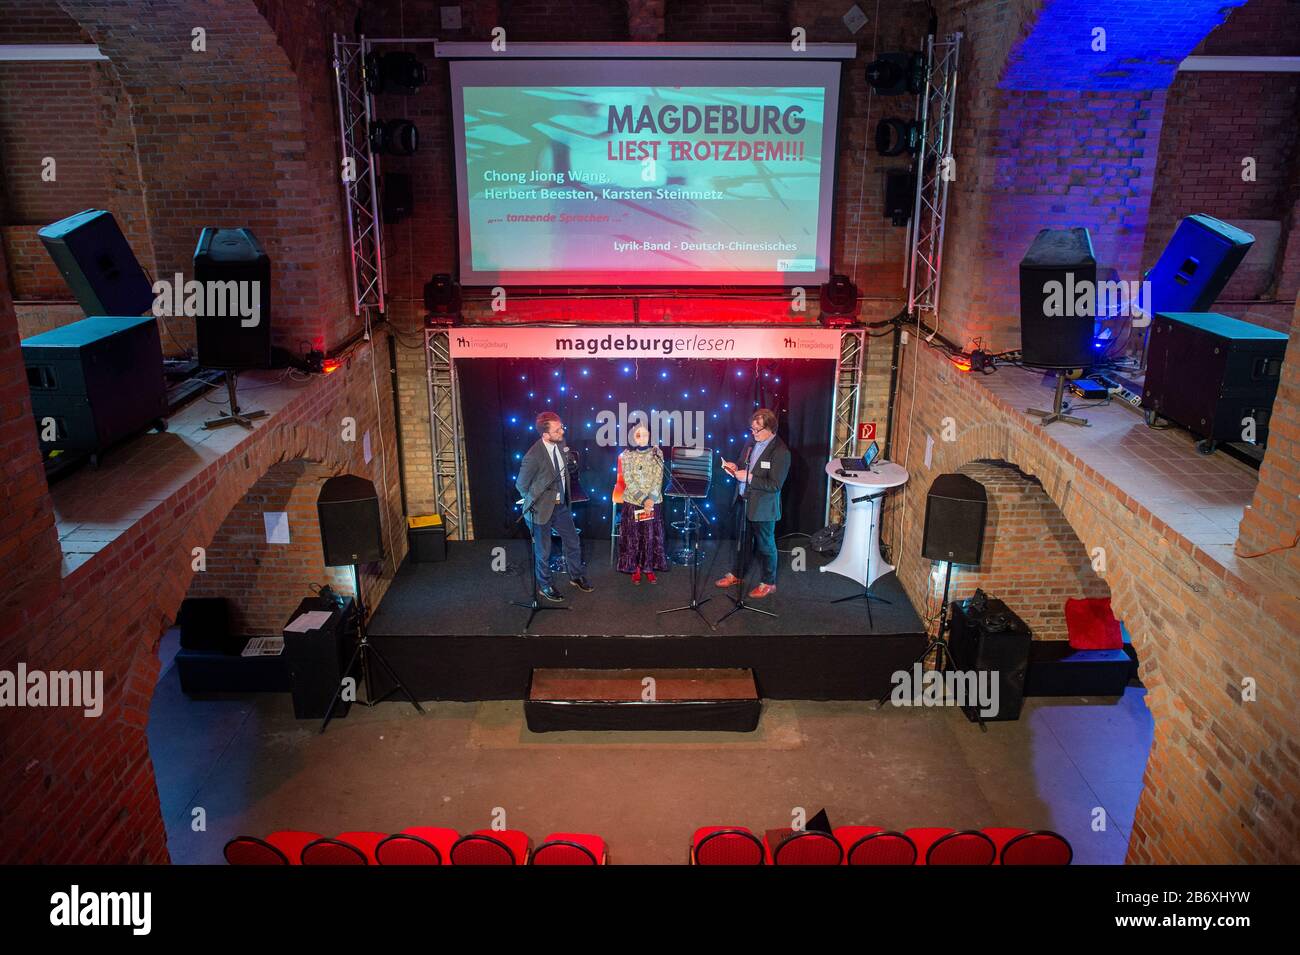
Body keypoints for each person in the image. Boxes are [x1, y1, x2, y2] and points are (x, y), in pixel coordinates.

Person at [516, 411, 593, 601]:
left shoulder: (561, 444)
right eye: (557, 430)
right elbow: (521, 485)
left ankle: (575, 576)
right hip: (540, 510)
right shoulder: (532, 456)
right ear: (545, 434)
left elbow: (562, 470)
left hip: (560, 507)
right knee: (544, 551)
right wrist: (536, 501)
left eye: (561, 428)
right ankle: (545, 585)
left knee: (573, 541)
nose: (562, 432)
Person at [716, 408, 790, 598]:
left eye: (757, 430)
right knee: (743, 542)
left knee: (766, 546)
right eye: (752, 429)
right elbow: (743, 463)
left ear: (771, 428)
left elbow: (774, 485)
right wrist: (735, 467)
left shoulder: (781, 451)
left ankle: (768, 582)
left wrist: (748, 477)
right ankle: (738, 574)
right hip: (744, 500)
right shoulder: (751, 441)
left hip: (763, 508)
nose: (753, 433)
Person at [616, 424, 667, 584]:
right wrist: (644, 500)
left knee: (649, 536)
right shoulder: (626, 455)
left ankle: (649, 566)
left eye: (645, 434)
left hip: (653, 501)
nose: (643, 438)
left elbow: (658, 477)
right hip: (633, 501)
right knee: (634, 536)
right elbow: (629, 480)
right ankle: (635, 567)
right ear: (632, 437)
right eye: (638, 435)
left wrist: (650, 499)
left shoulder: (657, 452)